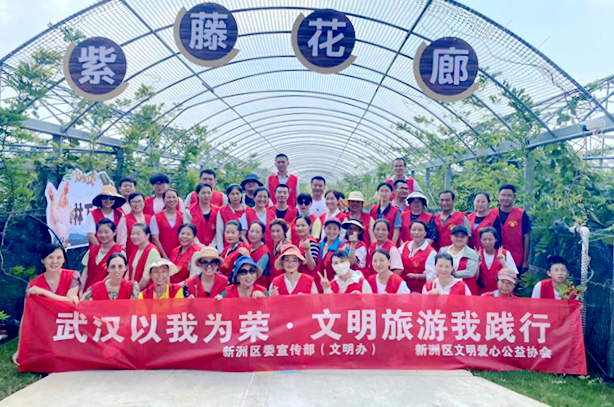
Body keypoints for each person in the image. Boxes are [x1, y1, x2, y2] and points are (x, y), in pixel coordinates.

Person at [12, 244, 81, 365]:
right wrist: (20, 348)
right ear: (42, 260)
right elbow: (26, 317)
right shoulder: (33, 285)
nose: (55, 261)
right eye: (50, 257)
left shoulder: (73, 276)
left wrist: (43, 292)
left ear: (64, 260)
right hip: (46, 330)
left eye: (59, 257)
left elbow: (69, 303)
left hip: (68, 327)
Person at [80, 219, 124, 293]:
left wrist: (96, 289)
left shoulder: (119, 252)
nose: (103, 235)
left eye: (106, 232)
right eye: (100, 232)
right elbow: (85, 271)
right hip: (88, 292)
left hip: (106, 292)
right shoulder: (92, 250)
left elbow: (114, 275)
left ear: (114, 233)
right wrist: (81, 289)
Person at [496, 184, 531, 273]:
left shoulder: (521, 214)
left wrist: (525, 261)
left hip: (516, 259)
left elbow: (526, 237)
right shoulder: (491, 214)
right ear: (498, 196)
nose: (506, 198)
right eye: (503, 195)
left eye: (509, 195)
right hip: (496, 258)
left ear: (514, 197)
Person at [438, 226, 480, 295]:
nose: (459, 239)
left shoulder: (472, 253)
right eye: (456, 236)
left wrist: (451, 273)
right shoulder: (443, 250)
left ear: (467, 238)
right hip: (445, 287)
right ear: (451, 237)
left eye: (462, 236)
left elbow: (470, 272)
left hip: (466, 289)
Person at [399, 221, 436, 293]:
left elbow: (432, 276)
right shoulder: (405, 245)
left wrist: (415, 276)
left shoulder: (431, 252)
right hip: (402, 287)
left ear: (425, 233)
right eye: (414, 229)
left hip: (419, 290)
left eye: (420, 230)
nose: (416, 232)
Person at [477, 227, 517, 295]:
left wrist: (503, 262)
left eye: (490, 239)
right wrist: (477, 265)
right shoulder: (477, 254)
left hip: (501, 293)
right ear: (480, 240)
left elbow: (513, 276)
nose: (487, 242)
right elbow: (475, 279)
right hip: (482, 294)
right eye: (484, 239)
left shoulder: (505, 254)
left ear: (495, 239)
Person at [116, 192, 152, 260]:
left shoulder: (150, 218)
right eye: (134, 202)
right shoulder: (124, 220)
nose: (137, 204)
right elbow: (121, 244)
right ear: (129, 204)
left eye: (139, 201)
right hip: (131, 256)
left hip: (149, 255)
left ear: (144, 202)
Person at [151, 188, 184, 260]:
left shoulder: (183, 217)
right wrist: (164, 256)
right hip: (161, 256)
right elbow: (155, 239)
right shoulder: (156, 217)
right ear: (164, 200)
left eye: (174, 197)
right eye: (168, 197)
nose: (172, 200)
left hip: (179, 255)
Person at [184, 183, 219, 248]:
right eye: (203, 193)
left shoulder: (218, 211)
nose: (206, 195)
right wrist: (200, 247)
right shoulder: (189, 211)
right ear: (197, 194)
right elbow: (188, 230)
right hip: (194, 247)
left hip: (214, 248)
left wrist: (211, 246)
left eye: (209, 193)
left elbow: (219, 231)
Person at [127, 223, 161, 289]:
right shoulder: (136, 251)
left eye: (138, 234)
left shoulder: (152, 251)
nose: (134, 236)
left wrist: (136, 291)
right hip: (133, 289)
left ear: (147, 236)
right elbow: (128, 272)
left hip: (146, 291)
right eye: (132, 234)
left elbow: (146, 277)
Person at [216, 184, 247, 250]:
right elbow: (219, 232)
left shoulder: (248, 210)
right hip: (227, 247)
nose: (235, 196)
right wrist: (221, 251)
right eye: (232, 194)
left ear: (241, 195)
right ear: (228, 196)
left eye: (237, 194)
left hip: (245, 247)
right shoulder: (222, 211)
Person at [318, 218, 345, 290]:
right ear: (324, 229)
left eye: (335, 229)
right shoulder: (320, 245)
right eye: (329, 228)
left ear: (339, 231)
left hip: (335, 286)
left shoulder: (341, 247)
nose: (332, 232)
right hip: (319, 285)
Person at [293, 214, 319, 281]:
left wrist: (307, 249)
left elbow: (312, 267)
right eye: (298, 226)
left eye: (303, 225)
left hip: (311, 281)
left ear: (310, 226)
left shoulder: (312, 243)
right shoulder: (297, 242)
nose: (300, 228)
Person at [246, 221, 271, 287]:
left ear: (262, 235)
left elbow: (257, 274)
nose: (253, 234)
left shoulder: (264, 252)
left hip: (260, 287)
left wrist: (247, 255)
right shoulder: (248, 248)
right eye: (252, 231)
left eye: (257, 232)